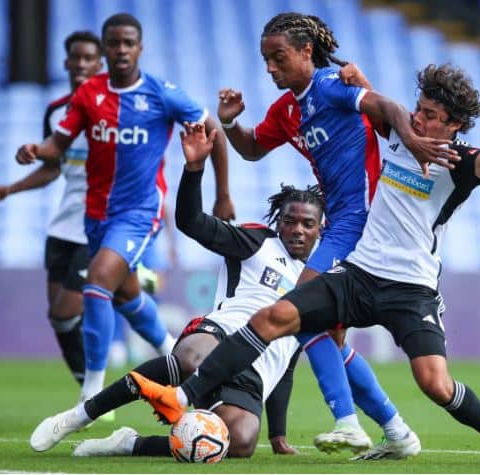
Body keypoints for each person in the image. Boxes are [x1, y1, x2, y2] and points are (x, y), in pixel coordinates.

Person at [131, 64, 480, 465]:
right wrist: (353, 77)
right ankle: (182, 396)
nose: (419, 118)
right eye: (419, 108)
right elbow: (369, 101)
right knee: (276, 316)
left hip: (410, 289)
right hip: (359, 274)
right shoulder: (399, 134)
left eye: (432, 114)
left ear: (454, 124)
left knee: (435, 383)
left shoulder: (459, 162)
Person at [213, 12, 450, 457]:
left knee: (298, 312)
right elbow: (251, 148)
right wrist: (229, 123)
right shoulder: (286, 111)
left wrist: (413, 141)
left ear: (306, 51)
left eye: (278, 57)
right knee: (326, 335)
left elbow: (389, 109)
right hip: (338, 224)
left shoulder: (329, 85)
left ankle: (348, 423)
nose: (269, 68)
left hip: (361, 223)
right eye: (265, 59)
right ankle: (397, 432)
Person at [30, 122, 321, 458]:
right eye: (289, 221)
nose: (296, 230)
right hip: (221, 335)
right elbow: (191, 222)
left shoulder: (317, 281)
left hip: (256, 372)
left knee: (239, 443)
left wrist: (278, 434)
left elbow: (288, 358)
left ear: (319, 229)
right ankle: (81, 414)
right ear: (278, 222)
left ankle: (129, 444)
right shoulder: (257, 242)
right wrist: (194, 169)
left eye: (306, 224)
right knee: (190, 358)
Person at [15, 13, 235, 404]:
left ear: (139, 48)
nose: (121, 50)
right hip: (96, 215)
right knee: (127, 295)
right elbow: (58, 147)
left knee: (98, 281)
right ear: (106, 48)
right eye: (114, 43)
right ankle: (178, 357)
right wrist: (37, 150)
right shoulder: (88, 95)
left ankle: (92, 392)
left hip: (139, 213)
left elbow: (212, 130)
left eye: (128, 43)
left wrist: (222, 194)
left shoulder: (161, 94)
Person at [0, 31, 103, 388]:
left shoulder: (112, 109)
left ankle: (129, 280)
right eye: (76, 58)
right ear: (66, 62)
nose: (82, 64)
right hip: (63, 226)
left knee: (68, 308)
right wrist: (11, 188)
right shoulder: (56, 112)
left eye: (89, 59)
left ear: (100, 64)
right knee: (59, 318)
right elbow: (53, 166)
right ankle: (89, 391)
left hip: (98, 222)